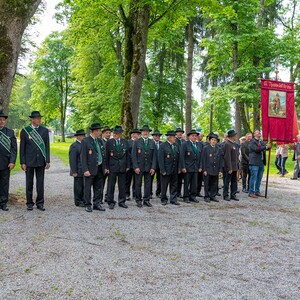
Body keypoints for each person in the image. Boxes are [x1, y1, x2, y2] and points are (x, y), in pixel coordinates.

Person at [20, 111, 50, 211]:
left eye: (40, 118)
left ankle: (40, 203)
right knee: (29, 183)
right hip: (29, 161)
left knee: (40, 183)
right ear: (32, 119)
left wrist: (47, 160)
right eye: (37, 118)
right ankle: (29, 203)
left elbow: (47, 147)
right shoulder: (25, 131)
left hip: (41, 161)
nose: (39, 120)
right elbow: (22, 149)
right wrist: (22, 162)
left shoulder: (44, 131)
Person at [81, 123, 105, 212]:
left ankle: (97, 203)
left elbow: (103, 154)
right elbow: (83, 157)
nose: (100, 132)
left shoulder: (99, 141)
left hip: (99, 167)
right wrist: (85, 169)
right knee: (88, 187)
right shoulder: (86, 141)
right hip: (90, 168)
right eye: (99, 131)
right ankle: (87, 204)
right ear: (95, 131)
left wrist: (104, 167)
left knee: (98, 187)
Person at [105, 125, 130, 209]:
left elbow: (127, 155)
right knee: (111, 185)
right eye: (114, 133)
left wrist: (127, 165)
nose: (115, 134)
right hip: (112, 167)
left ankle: (122, 201)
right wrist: (106, 167)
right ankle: (110, 201)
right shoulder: (109, 142)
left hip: (122, 167)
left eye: (117, 133)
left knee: (122, 185)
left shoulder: (125, 142)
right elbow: (106, 156)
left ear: (120, 134)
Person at [132, 125, 156, 207]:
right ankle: (138, 200)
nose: (145, 133)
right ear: (141, 132)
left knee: (148, 184)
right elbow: (133, 156)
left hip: (149, 167)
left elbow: (154, 156)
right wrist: (135, 167)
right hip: (139, 167)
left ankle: (146, 199)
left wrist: (153, 167)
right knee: (138, 184)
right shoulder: (136, 142)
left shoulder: (152, 142)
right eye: (144, 131)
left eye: (147, 131)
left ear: (149, 133)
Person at [0, 111, 17, 211]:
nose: (1, 121)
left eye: (3, 120)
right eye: (0, 120)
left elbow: (14, 149)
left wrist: (12, 161)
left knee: (5, 183)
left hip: (6, 163)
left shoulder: (10, 132)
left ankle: (3, 203)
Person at [158, 130, 181, 206]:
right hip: (166, 169)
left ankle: (173, 199)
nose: (175, 138)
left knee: (174, 185)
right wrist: (162, 170)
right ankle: (163, 199)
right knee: (164, 185)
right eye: (174, 137)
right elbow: (160, 159)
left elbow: (179, 158)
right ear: (169, 138)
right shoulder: (163, 146)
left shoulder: (176, 145)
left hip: (174, 169)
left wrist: (179, 169)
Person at [248, 129, 272, 198]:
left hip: (261, 162)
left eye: (259, 133)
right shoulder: (252, 141)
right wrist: (266, 147)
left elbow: (265, 148)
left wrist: (270, 144)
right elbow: (256, 149)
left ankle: (257, 191)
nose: (259, 134)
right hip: (254, 162)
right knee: (253, 178)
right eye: (258, 133)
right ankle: (251, 192)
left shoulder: (261, 141)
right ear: (254, 134)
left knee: (259, 178)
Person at [180, 129, 202, 203]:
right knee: (186, 183)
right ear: (189, 136)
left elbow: (200, 157)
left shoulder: (199, 144)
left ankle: (193, 196)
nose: (194, 137)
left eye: (195, 136)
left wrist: (200, 166)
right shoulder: (185, 144)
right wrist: (183, 167)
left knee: (194, 183)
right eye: (193, 136)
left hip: (196, 167)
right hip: (187, 167)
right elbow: (182, 156)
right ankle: (186, 196)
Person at [202, 133, 222, 203]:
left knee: (214, 183)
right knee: (207, 183)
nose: (213, 141)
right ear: (210, 140)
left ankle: (213, 196)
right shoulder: (205, 148)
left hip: (215, 169)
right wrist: (204, 169)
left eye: (215, 140)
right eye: (212, 140)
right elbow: (203, 159)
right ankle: (206, 196)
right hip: (208, 169)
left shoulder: (218, 149)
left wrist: (220, 170)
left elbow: (220, 160)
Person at [69, 129, 86, 207]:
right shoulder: (74, 146)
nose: (84, 137)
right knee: (78, 186)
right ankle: (78, 201)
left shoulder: (84, 144)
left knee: (83, 185)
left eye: (84, 135)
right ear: (78, 137)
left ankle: (83, 199)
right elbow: (72, 159)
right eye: (82, 136)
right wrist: (74, 171)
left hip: (83, 169)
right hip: (77, 169)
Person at [222, 129, 239, 201]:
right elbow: (227, 157)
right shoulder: (227, 144)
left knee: (234, 181)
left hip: (234, 167)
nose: (236, 137)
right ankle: (225, 195)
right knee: (227, 181)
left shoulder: (234, 144)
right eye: (235, 135)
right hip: (229, 167)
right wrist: (229, 168)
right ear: (232, 136)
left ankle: (233, 194)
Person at [125, 128, 141, 200]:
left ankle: (135, 194)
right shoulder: (128, 142)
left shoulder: (140, 143)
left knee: (136, 181)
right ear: (131, 135)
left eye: (137, 134)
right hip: (130, 165)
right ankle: (126, 194)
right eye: (134, 134)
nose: (135, 135)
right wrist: (127, 165)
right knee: (128, 180)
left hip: (137, 165)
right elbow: (127, 154)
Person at [151, 129, 163, 198]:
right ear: (153, 136)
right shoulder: (150, 143)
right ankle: (149, 193)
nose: (157, 137)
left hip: (160, 165)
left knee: (160, 180)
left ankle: (158, 192)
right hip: (152, 165)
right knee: (150, 180)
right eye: (156, 135)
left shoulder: (162, 144)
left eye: (158, 136)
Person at [101, 126, 111, 203]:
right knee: (101, 183)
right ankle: (99, 198)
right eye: (106, 133)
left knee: (110, 183)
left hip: (111, 167)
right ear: (103, 134)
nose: (108, 134)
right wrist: (104, 167)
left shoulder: (112, 142)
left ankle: (108, 197)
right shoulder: (100, 142)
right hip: (103, 167)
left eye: (109, 133)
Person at [175, 127, 185, 198]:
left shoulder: (184, 141)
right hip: (176, 162)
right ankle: (175, 193)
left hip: (183, 162)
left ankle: (179, 192)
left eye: (181, 132)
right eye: (178, 132)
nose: (180, 134)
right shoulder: (174, 141)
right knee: (176, 179)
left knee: (181, 179)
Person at [196, 131, 204, 197]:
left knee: (199, 180)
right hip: (193, 165)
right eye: (201, 136)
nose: (201, 137)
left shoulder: (201, 144)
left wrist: (201, 166)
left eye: (202, 136)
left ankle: (198, 191)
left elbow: (202, 155)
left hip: (200, 165)